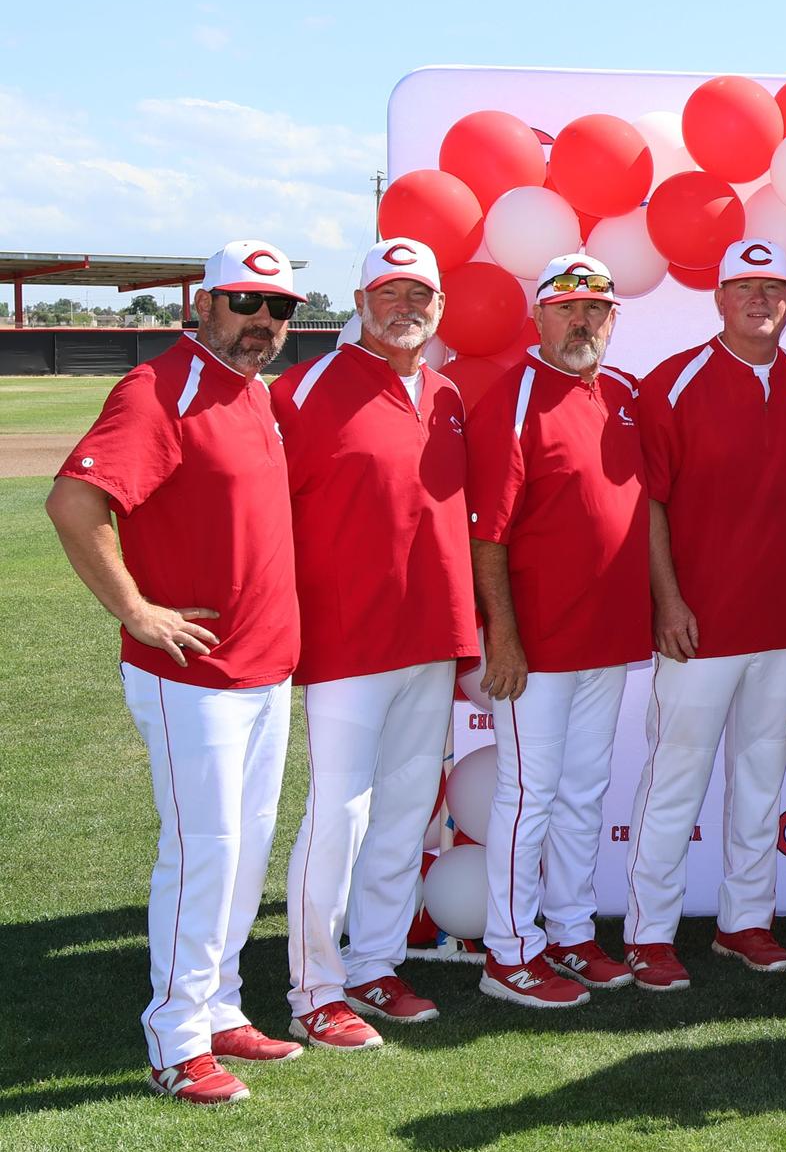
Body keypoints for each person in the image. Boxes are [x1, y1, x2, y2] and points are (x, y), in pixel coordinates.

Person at [47, 240, 306, 1103]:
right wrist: (138, 611)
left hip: (264, 670)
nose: (262, 322)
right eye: (244, 302)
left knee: (244, 854)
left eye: (278, 309)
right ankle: (174, 1038)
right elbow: (76, 502)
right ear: (204, 302)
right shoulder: (161, 388)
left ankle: (219, 1004)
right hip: (192, 675)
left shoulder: (253, 392)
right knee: (204, 854)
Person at [271, 239, 477, 1048]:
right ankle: (314, 987)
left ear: (440, 309)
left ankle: (375, 964)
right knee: (339, 815)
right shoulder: (305, 389)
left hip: (429, 638)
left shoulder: (447, 392)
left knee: (401, 814)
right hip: (347, 641)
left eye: (419, 294)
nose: (405, 308)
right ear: (358, 303)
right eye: (388, 294)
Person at [623, 239, 786, 989]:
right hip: (698, 625)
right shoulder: (672, 384)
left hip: (782, 623)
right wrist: (668, 599)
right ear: (719, 298)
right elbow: (649, 502)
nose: (760, 300)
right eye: (745, 287)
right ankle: (648, 932)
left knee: (761, 779)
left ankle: (746, 921)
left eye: (774, 287)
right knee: (675, 779)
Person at [466, 252, 651, 1008]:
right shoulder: (511, 399)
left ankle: (572, 931)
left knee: (584, 791)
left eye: (596, 309)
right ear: (538, 317)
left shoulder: (627, 395)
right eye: (567, 307)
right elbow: (487, 536)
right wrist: (503, 638)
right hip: (535, 645)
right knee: (528, 794)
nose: (582, 321)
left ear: (613, 319)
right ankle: (509, 951)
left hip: (607, 636)